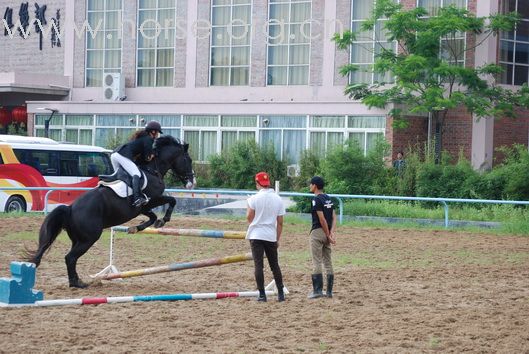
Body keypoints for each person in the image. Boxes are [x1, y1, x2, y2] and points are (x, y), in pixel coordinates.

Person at [246, 171, 286, 302]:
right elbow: (280, 222)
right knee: (275, 265)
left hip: (256, 234)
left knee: (258, 265)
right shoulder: (278, 199)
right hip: (270, 235)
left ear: (258, 183)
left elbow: (249, 218)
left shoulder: (253, 199)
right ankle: (280, 293)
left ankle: (262, 294)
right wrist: (277, 238)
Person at [110, 120, 163, 207]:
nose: (157, 134)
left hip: (115, 155)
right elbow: (147, 158)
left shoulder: (143, 138)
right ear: (153, 131)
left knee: (121, 178)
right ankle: (137, 198)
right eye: (157, 132)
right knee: (136, 174)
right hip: (122, 155)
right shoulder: (148, 139)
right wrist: (153, 155)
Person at [308, 176, 337, 299]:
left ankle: (318, 290)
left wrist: (326, 233)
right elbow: (334, 217)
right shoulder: (328, 198)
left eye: (311, 184)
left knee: (317, 261)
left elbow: (322, 219)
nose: (310, 186)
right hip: (327, 232)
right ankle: (329, 291)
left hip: (318, 232)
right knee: (328, 261)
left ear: (314, 186)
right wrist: (331, 233)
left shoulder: (316, 200)